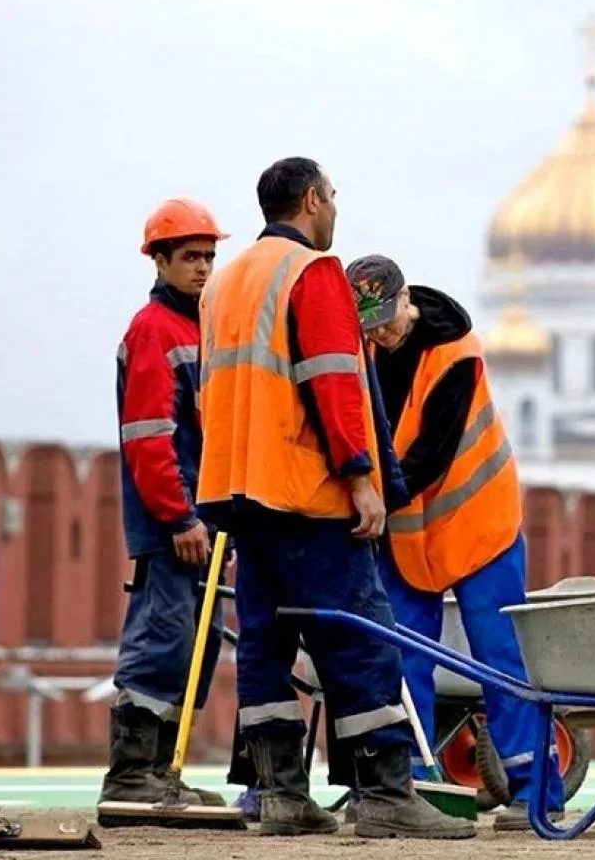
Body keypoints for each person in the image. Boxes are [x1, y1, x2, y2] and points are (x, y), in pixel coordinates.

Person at [194, 157, 475, 840]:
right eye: (333, 196)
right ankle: (385, 795)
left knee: (264, 644)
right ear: (313, 200)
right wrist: (361, 478)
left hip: (238, 491)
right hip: (305, 494)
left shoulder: (225, 283)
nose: (336, 209)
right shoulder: (312, 273)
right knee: (360, 639)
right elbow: (333, 382)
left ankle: (282, 796)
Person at [343, 253, 566, 832]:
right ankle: (410, 788)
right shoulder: (365, 352)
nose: (379, 335)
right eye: (368, 327)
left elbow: (430, 455)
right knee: (401, 656)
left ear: (406, 299)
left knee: (500, 656)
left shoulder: (456, 354)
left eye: (385, 322)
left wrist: (369, 497)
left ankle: (536, 793)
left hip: (478, 523)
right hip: (409, 531)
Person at [101, 198, 231, 810]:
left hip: (205, 522)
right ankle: (132, 775)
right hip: (173, 524)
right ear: (159, 261)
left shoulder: (202, 328)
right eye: (190, 257)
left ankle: (163, 773)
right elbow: (149, 438)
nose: (203, 268)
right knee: (163, 639)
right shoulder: (154, 330)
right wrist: (179, 517)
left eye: (208, 257)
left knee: (196, 647)